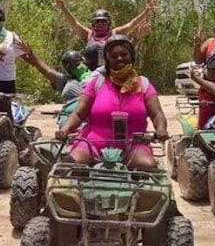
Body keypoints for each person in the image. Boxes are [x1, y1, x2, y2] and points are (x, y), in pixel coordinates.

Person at [55, 36, 168, 169]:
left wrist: (161, 129)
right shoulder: (97, 83)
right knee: (69, 166)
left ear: (131, 57)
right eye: (114, 56)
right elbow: (79, 113)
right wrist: (65, 129)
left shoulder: (143, 84)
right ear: (107, 60)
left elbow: (157, 114)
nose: (119, 58)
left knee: (147, 166)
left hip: (134, 144)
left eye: (123, 54)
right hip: (93, 144)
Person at [53, 0, 156, 69]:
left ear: (109, 24)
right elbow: (75, 24)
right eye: (97, 22)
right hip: (91, 77)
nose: (100, 25)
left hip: (113, 74)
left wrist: (146, 12)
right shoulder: (88, 35)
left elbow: (131, 24)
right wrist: (63, 8)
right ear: (93, 25)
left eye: (103, 22)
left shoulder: (115, 33)